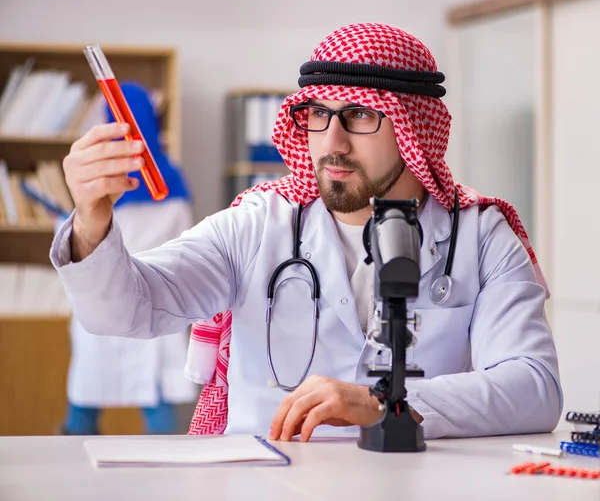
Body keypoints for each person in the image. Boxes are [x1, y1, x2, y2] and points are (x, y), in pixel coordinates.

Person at [51, 23, 562, 442]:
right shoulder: (258, 224)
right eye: (319, 114)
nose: (331, 142)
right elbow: (124, 310)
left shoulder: (480, 234)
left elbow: (535, 389)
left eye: (359, 115)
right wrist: (92, 219)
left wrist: (385, 405)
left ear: (413, 125)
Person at [59, 82, 198, 435]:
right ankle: (166, 480)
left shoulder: (99, 177)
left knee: (84, 405)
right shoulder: (170, 180)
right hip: (154, 302)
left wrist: (62, 224)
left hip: (102, 301)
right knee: (157, 404)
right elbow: (185, 239)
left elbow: (83, 238)